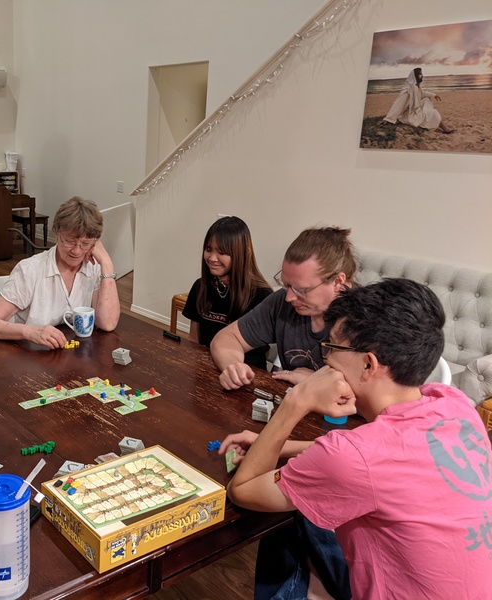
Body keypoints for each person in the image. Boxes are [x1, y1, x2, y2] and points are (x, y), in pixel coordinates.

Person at [224, 278, 492, 599]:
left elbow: (242, 491)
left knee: (285, 514)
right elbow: (377, 462)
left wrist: (297, 401)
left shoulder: (352, 456)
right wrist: (276, 444)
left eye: (332, 347)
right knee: (306, 498)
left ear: (368, 364)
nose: (327, 359)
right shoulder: (452, 403)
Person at [211, 226, 356, 390]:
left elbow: (382, 401)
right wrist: (233, 366)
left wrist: (317, 382)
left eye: (302, 290)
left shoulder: (369, 319)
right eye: (286, 285)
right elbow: (226, 339)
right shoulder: (282, 301)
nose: (289, 297)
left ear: (337, 282)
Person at [0, 196, 120, 348]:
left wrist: (106, 263)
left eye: (85, 244)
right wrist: (29, 332)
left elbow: (107, 324)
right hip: (30, 358)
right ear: (57, 234)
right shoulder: (30, 270)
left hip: (75, 357)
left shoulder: (95, 267)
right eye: (69, 241)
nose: (77, 251)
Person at [182, 216, 272, 368]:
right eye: (208, 249)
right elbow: (193, 340)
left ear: (244, 252)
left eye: (222, 252)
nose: (212, 258)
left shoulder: (261, 296)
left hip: (244, 374)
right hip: (205, 369)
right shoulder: (200, 286)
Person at [382, 68, 453, 133]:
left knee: (426, 99)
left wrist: (434, 95)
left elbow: (421, 93)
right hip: (409, 114)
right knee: (433, 112)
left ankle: (443, 127)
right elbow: (398, 104)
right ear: (416, 76)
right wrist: (388, 118)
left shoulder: (415, 86)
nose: (422, 76)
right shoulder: (408, 90)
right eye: (420, 74)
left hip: (414, 110)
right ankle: (445, 129)